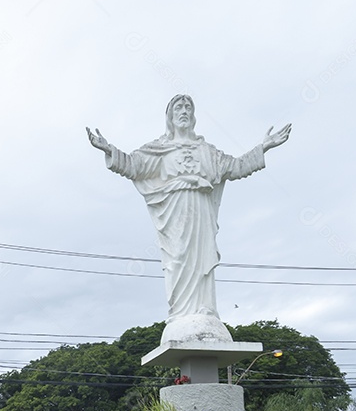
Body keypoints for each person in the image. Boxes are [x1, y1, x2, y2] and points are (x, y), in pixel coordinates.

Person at [88, 95, 290, 343]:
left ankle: (205, 311)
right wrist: (110, 150)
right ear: (170, 116)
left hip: (201, 209)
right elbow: (134, 165)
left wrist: (263, 147)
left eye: (188, 107)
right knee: (179, 260)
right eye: (178, 107)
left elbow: (235, 167)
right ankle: (181, 315)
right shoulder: (159, 150)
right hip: (175, 211)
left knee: (202, 259)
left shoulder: (207, 151)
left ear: (193, 115)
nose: (183, 111)